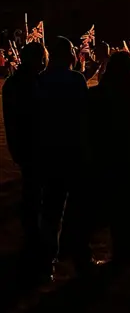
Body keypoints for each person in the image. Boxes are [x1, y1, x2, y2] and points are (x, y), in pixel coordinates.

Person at [88, 51, 130, 265]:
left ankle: (123, 249)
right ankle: (127, 248)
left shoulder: (97, 94)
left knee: (115, 205)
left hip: (107, 157)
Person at [38, 37, 95, 275]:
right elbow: (84, 113)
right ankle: (80, 257)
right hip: (72, 151)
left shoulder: (40, 81)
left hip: (48, 152)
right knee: (78, 209)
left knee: (51, 210)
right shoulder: (74, 79)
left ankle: (47, 261)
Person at [2, 42, 48, 280]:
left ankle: (32, 238)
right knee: (37, 195)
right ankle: (35, 246)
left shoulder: (15, 83)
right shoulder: (33, 84)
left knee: (31, 192)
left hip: (23, 147)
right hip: (36, 147)